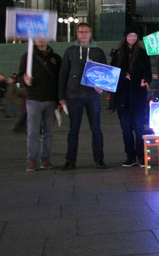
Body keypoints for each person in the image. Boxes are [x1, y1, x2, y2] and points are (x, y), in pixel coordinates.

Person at [59, 22, 108, 170]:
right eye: (81, 32)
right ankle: (70, 160)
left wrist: (102, 88)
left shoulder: (98, 52)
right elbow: (63, 74)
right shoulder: (70, 51)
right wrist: (61, 96)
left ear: (91, 34)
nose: (83, 35)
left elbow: (105, 74)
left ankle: (99, 159)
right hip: (74, 96)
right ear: (77, 34)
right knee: (73, 130)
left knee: (96, 129)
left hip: (93, 96)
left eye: (86, 32)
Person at [111, 26, 152, 168]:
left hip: (137, 96)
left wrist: (145, 79)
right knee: (126, 129)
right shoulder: (118, 53)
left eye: (134, 36)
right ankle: (130, 156)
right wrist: (123, 75)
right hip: (122, 97)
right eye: (130, 36)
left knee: (140, 128)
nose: (132, 38)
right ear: (125, 37)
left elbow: (147, 70)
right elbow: (113, 71)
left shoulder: (142, 53)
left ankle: (141, 156)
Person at [18, 39, 61, 172]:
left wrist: (60, 100)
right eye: (38, 39)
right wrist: (24, 78)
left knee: (48, 132)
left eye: (43, 39)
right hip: (34, 99)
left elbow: (60, 79)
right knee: (33, 132)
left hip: (51, 100)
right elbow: (19, 76)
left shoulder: (56, 58)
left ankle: (45, 159)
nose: (41, 41)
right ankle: (31, 160)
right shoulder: (27, 57)